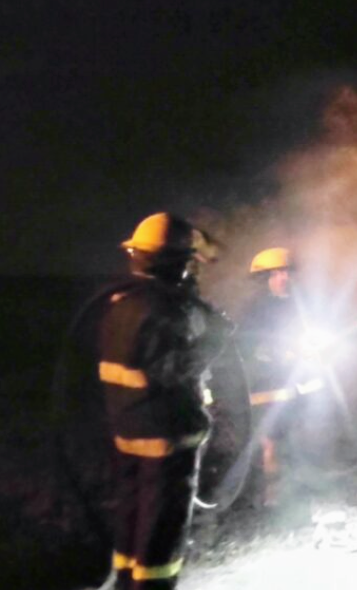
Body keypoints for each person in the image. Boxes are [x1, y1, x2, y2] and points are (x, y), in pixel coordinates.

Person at [97, 212, 231, 589]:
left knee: (133, 515)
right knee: (163, 526)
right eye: (188, 261)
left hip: (127, 429)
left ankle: (125, 581)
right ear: (177, 262)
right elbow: (172, 370)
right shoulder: (167, 309)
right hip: (166, 437)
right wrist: (213, 341)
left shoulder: (120, 302)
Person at [239, 247, 303, 504]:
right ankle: (272, 496)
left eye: (286, 272)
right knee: (271, 440)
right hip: (266, 385)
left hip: (296, 382)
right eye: (276, 274)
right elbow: (245, 344)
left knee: (296, 435)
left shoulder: (301, 304)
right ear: (264, 279)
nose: (283, 278)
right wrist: (270, 352)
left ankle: (296, 489)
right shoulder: (255, 310)